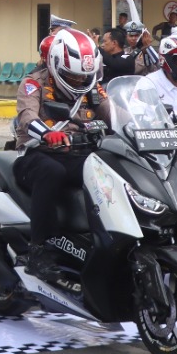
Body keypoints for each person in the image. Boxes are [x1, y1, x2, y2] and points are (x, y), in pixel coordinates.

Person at [13, 28, 110, 293]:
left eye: (84, 77)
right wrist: (49, 134)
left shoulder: (92, 88)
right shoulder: (33, 83)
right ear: (55, 65)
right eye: (73, 76)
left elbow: (115, 115)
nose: (79, 82)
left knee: (109, 170)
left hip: (79, 153)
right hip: (38, 154)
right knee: (52, 172)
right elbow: (27, 117)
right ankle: (39, 251)